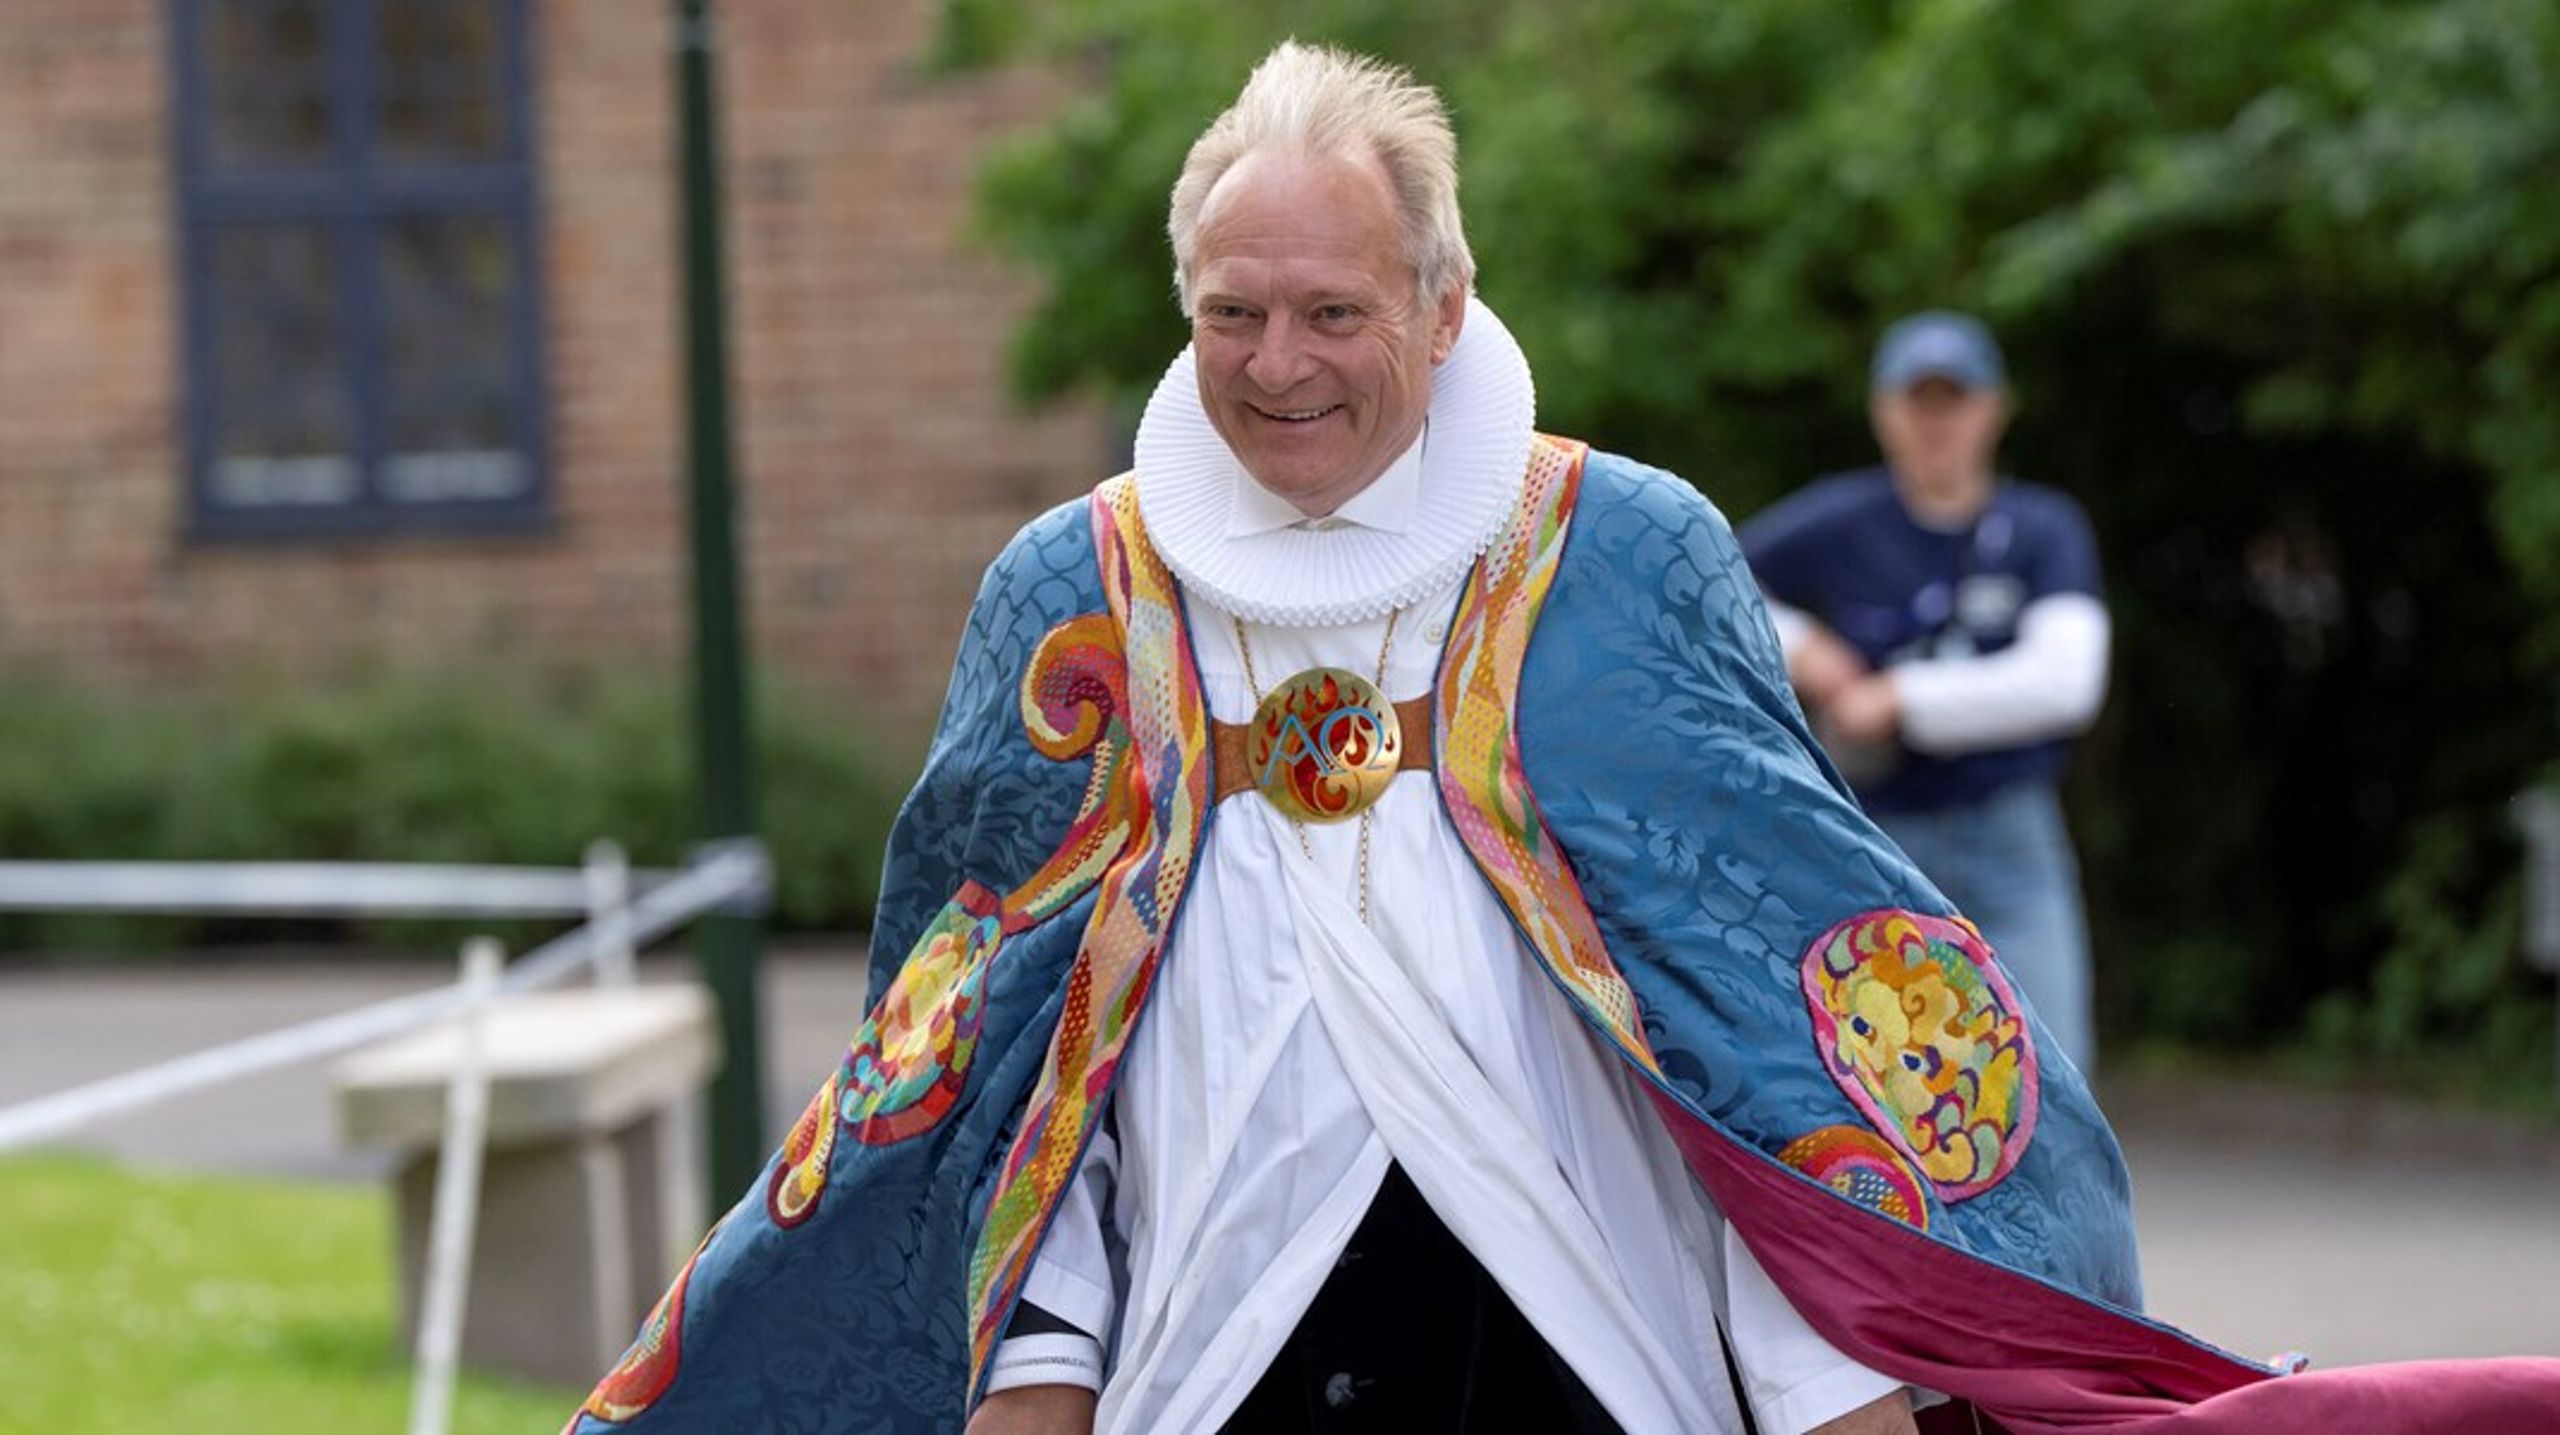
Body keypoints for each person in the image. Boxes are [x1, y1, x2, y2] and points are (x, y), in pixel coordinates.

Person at [568, 42, 2560, 1435]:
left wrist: (1823, 1390)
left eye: (1332, 313)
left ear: (1442, 308)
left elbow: (1762, 1007)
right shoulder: (1065, 594)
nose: (1277, 368)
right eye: (1228, 314)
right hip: (1207, 1358)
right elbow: (997, 1066)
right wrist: (1036, 1374)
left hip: (1590, 1347)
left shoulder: (1622, 553)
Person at [1737, 315, 2106, 1072]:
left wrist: (1900, 697)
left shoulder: (2044, 528)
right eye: (1918, 400)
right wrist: (1809, 651)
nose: (1938, 421)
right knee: (1888, 1089)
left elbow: (2066, 682)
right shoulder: (1838, 519)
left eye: (1956, 399)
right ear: (1884, 412)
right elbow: (1711, 579)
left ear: (1994, 408)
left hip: (2011, 836)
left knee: (2055, 1074)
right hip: (1880, 837)